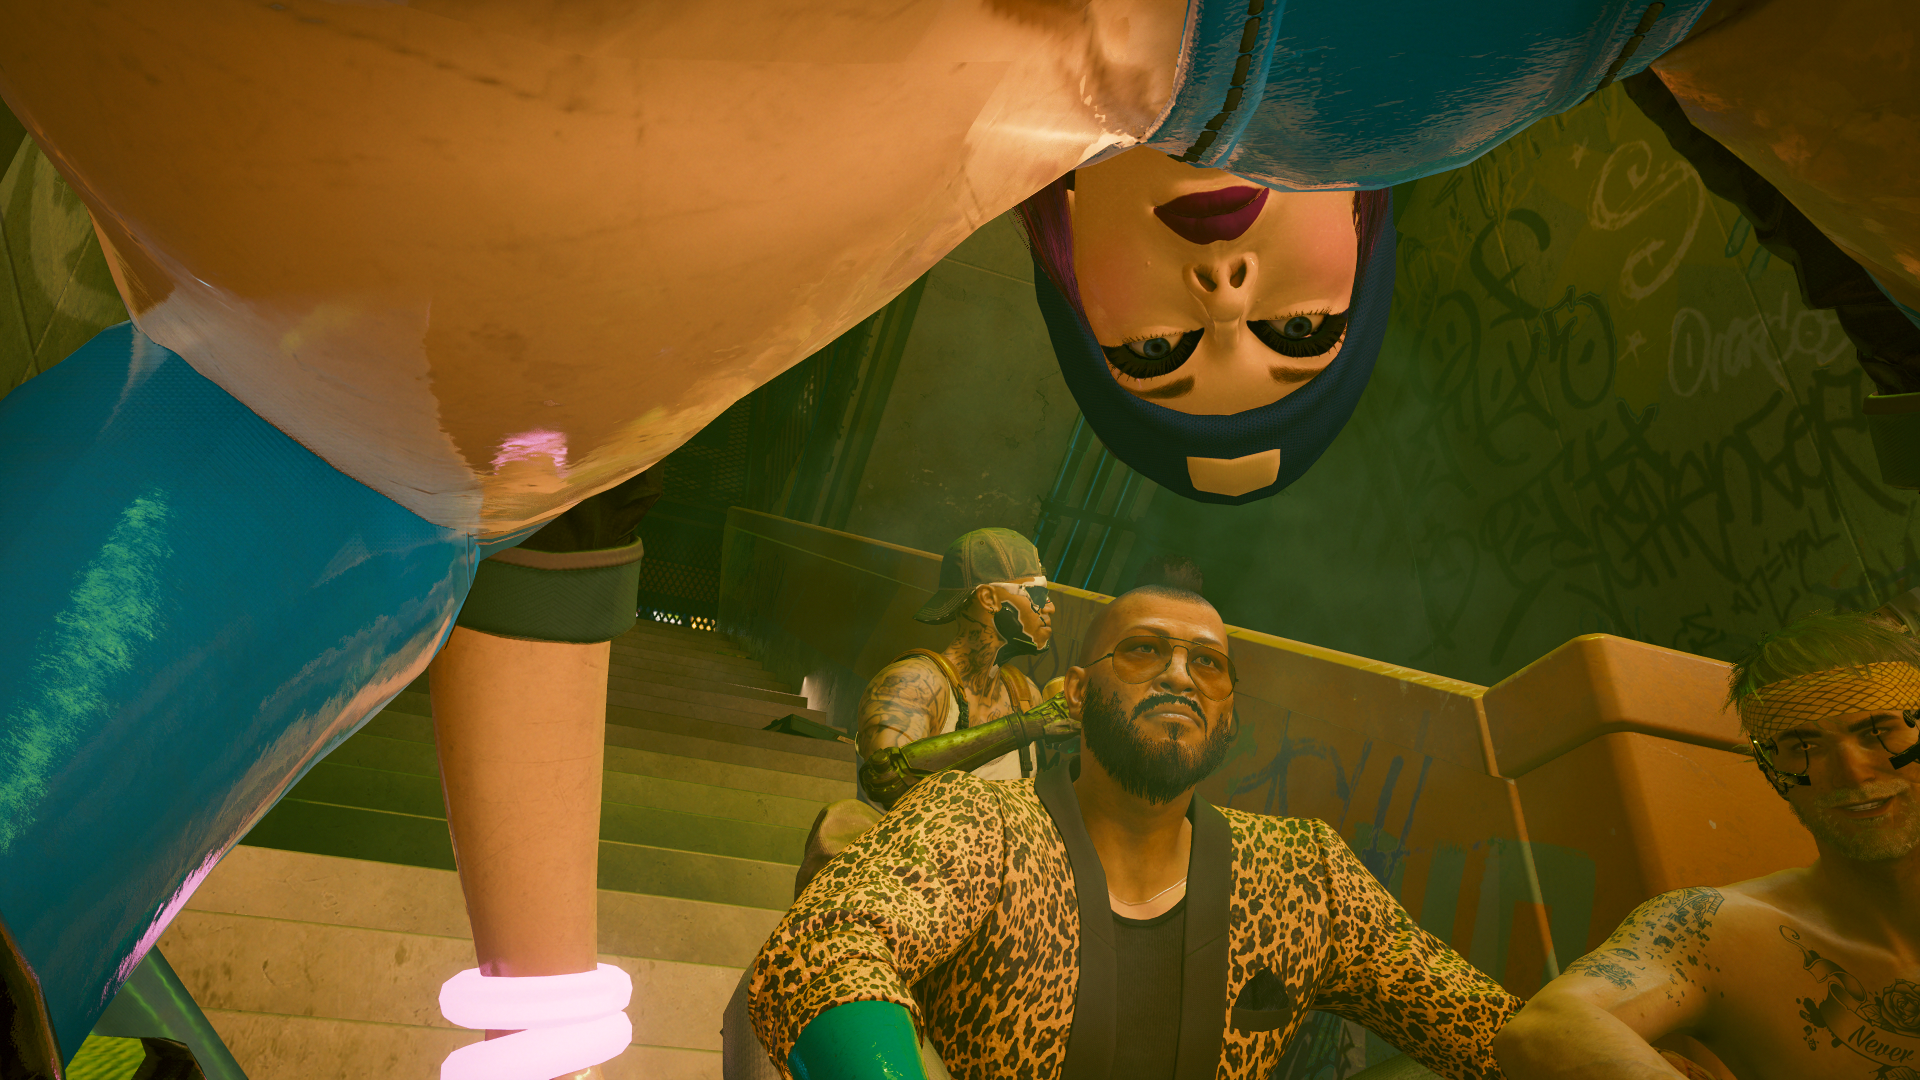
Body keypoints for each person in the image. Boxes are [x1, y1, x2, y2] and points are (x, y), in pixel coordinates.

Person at [748, 585, 1520, 1080]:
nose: (1180, 674)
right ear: (1077, 694)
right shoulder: (980, 820)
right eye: (1145, 650)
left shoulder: (1301, 873)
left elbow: (1488, 1030)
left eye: (1209, 664)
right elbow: (823, 949)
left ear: (1229, 717)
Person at [1493, 610, 1920, 1080]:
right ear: (1770, 767)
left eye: (1878, 732)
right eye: (1804, 746)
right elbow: (1545, 1029)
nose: (1852, 773)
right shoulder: (1715, 932)